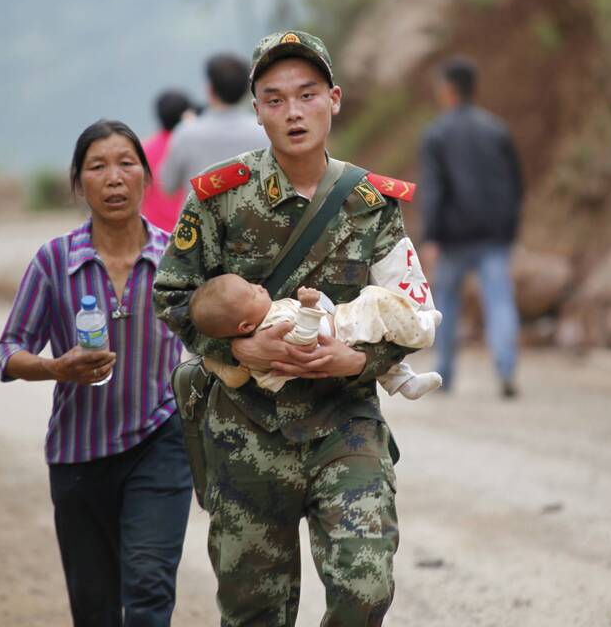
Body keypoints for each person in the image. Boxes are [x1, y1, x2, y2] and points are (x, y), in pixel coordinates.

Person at [154, 30, 428, 625]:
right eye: (274, 99)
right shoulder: (219, 198)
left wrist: (358, 362)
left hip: (344, 422)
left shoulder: (371, 202)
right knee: (255, 613)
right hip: (246, 431)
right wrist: (237, 343)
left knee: (365, 589)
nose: (293, 112)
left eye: (306, 95)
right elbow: (172, 294)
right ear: (256, 111)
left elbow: (408, 313)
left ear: (334, 99)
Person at [0, 119, 192, 626]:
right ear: (78, 185)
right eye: (97, 167)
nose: (114, 178)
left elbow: (216, 339)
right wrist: (54, 367)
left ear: (147, 177)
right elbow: (9, 350)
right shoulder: (54, 262)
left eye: (127, 163)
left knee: (148, 591)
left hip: (161, 443)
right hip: (79, 456)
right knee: (95, 608)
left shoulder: (178, 260)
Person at [418, 56, 523, 399]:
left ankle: (445, 374)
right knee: (500, 300)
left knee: (446, 302)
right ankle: (506, 369)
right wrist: (509, 228)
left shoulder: (437, 134)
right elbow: (515, 183)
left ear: (448, 91)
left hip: (454, 237)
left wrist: (431, 235)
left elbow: (433, 189)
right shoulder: (496, 128)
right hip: (494, 234)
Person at [189, 275, 443, 398]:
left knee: (374, 343)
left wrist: (222, 356)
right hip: (340, 330)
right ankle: (423, 329)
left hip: (338, 335)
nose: (258, 287)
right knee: (376, 299)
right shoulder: (274, 324)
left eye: (251, 285)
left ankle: (405, 383)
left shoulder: (263, 323)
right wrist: (310, 307)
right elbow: (303, 340)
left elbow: (234, 376)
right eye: (252, 294)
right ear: (244, 326)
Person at [158, 53, 269, 195]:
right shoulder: (264, 130)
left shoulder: (186, 134)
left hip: (202, 216)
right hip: (255, 216)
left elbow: (168, 185)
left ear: (210, 89)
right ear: (246, 91)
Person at [140, 89, 194, 232]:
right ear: (186, 114)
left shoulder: (144, 150)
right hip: (187, 231)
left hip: (153, 232)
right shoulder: (192, 146)